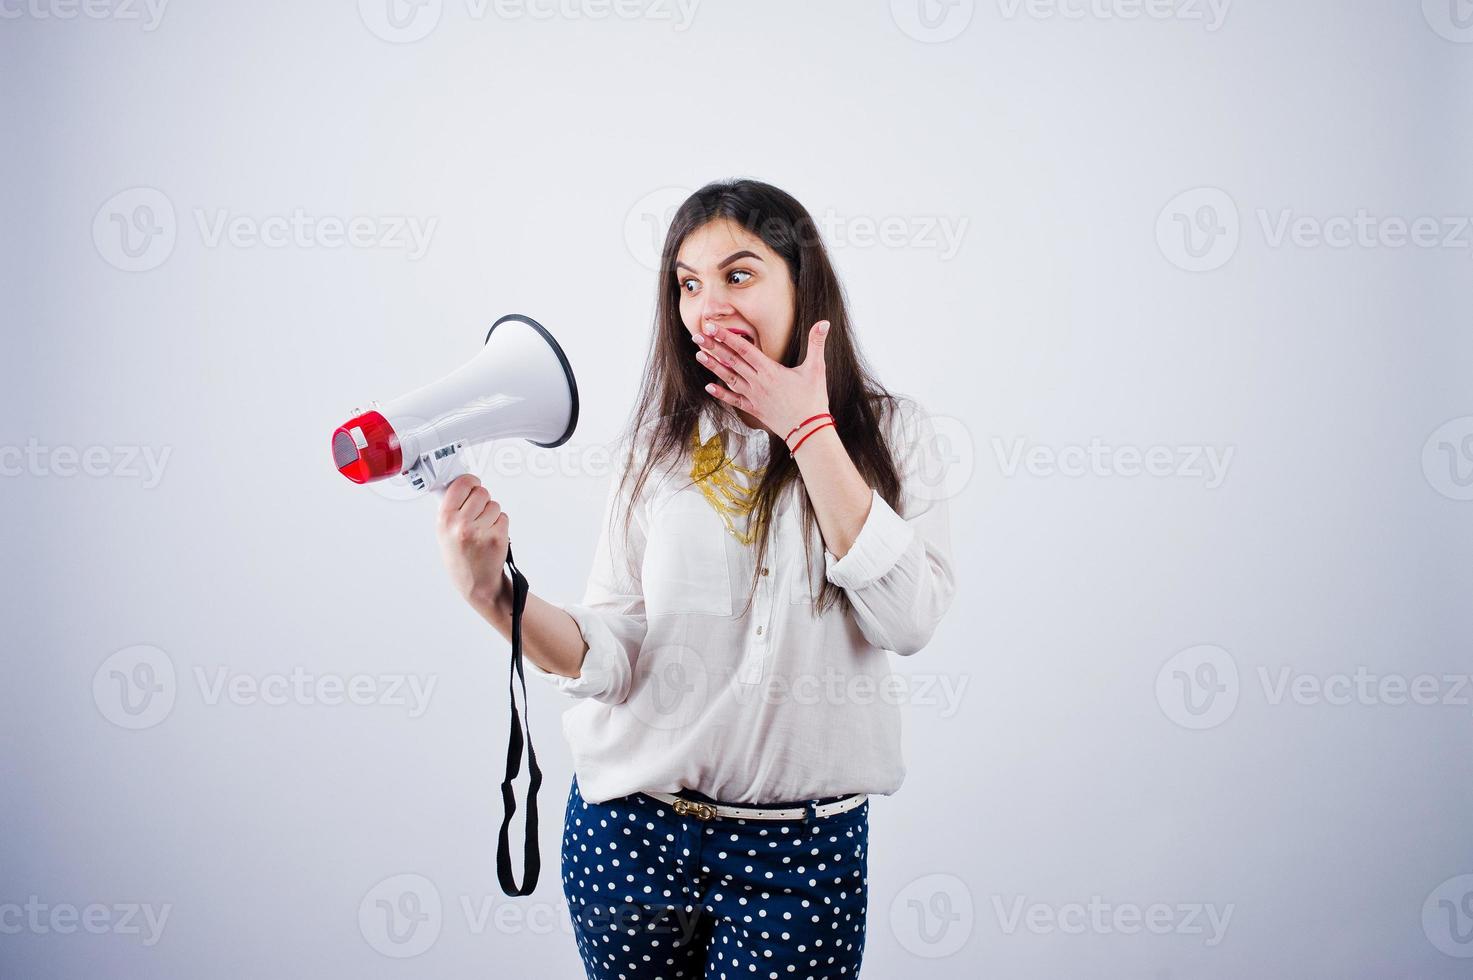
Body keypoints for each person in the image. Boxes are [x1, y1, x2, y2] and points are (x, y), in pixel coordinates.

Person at [436, 178, 957, 978]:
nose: (707, 306)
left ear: (801, 284)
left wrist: (808, 428)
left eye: (738, 275)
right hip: (629, 835)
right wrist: (493, 596)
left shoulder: (895, 434)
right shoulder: (658, 448)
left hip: (799, 855)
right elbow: (614, 652)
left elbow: (908, 619)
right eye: (687, 283)